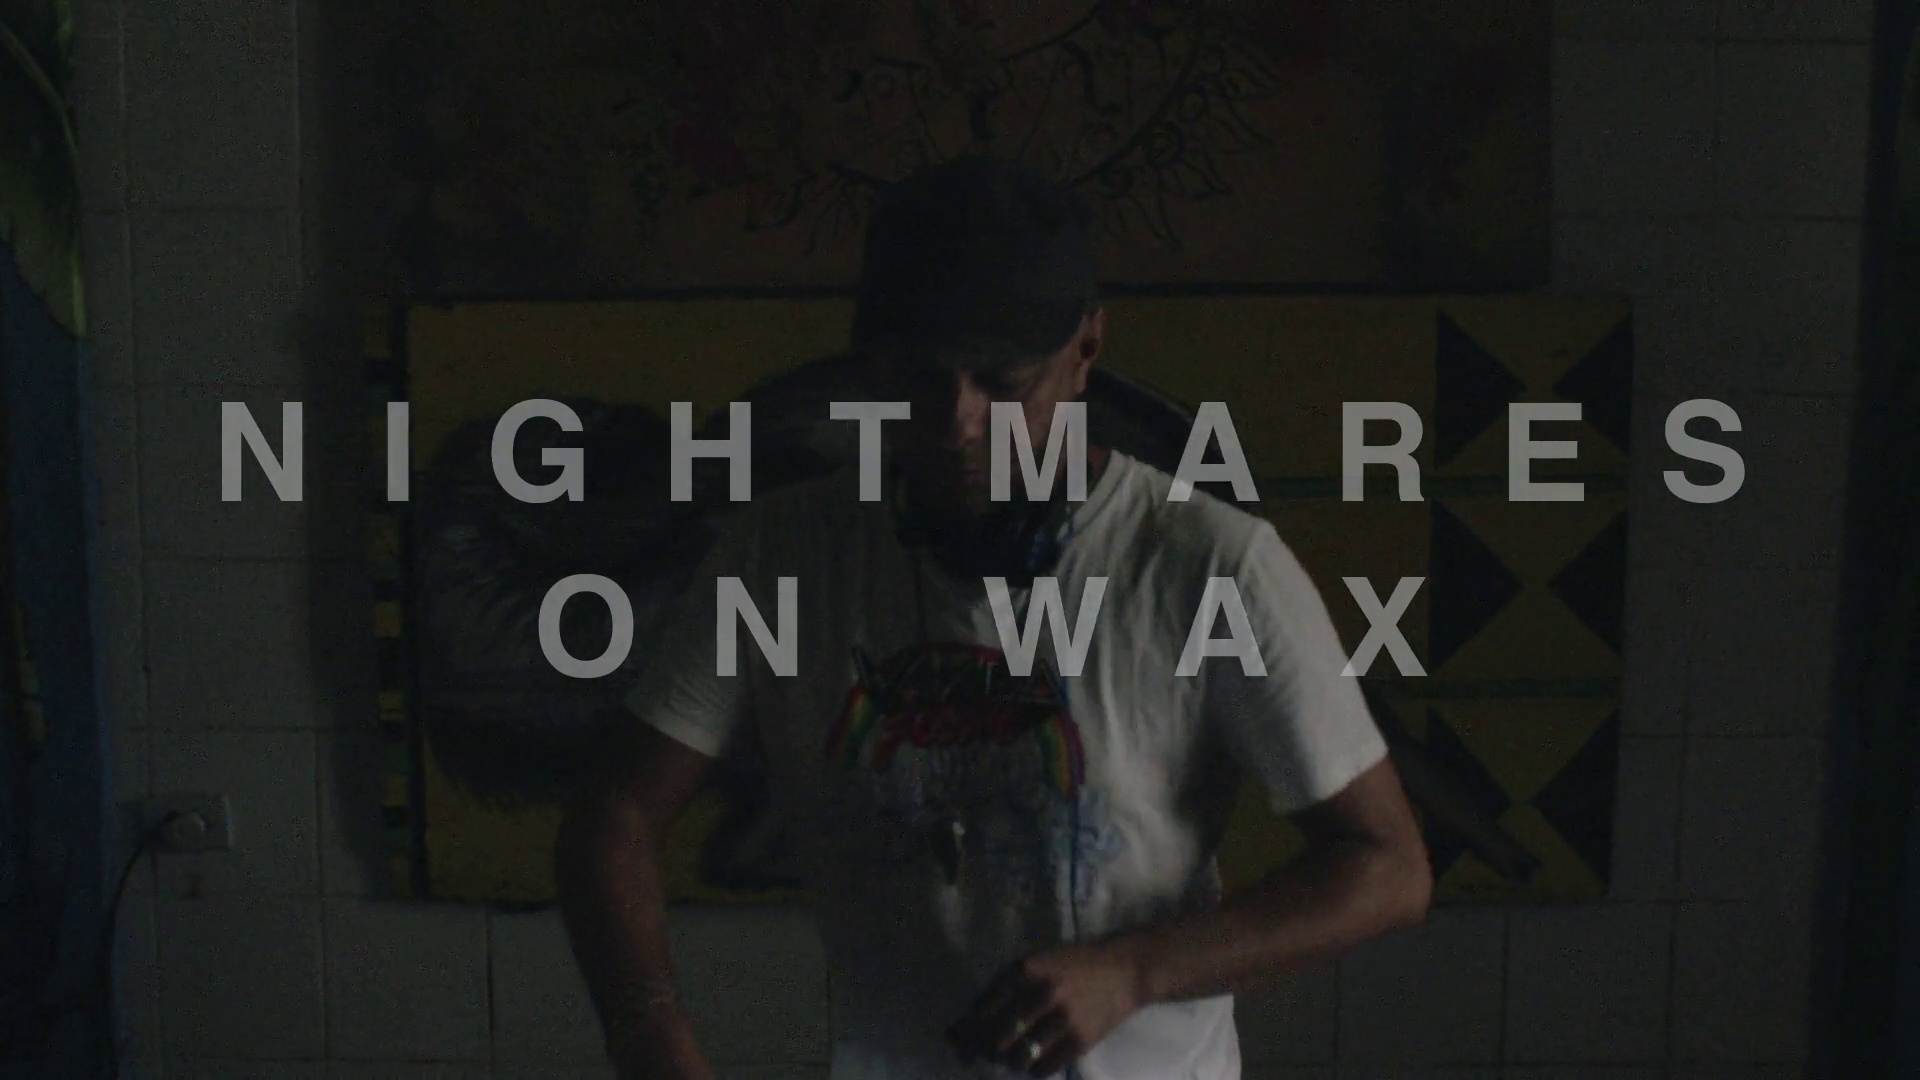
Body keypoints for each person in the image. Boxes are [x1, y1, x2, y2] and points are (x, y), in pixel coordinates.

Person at [554, 155, 1433, 1080]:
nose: (959, 422)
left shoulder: (1208, 562)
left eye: (1003, 385)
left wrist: (1134, 972)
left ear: (1086, 350)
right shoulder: (780, 555)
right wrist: (650, 1036)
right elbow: (615, 813)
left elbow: (1388, 868)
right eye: (921, 383)